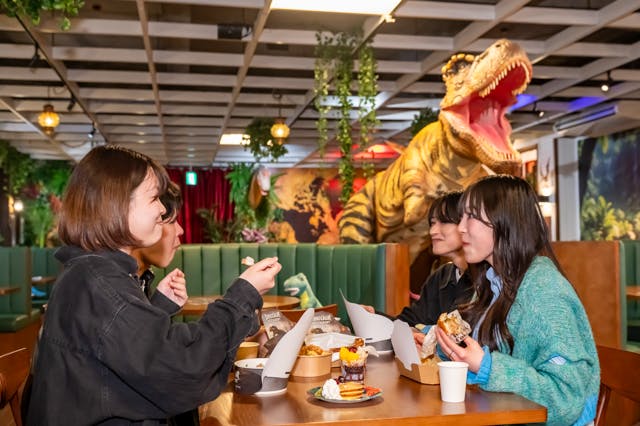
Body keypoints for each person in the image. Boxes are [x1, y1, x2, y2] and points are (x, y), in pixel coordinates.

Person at [27, 145, 282, 425]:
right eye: (153, 198)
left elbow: (122, 355)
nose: (162, 209)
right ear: (116, 205)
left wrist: (156, 306)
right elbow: (182, 368)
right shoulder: (99, 282)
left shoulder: (91, 273)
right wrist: (243, 294)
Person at [436, 175, 599, 426]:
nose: (460, 227)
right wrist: (436, 340)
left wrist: (487, 367)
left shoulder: (545, 292)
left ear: (505, 222)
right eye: (461, 217)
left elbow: (565, 399)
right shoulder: (493, 283)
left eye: (472, 216)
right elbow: (479, 351)